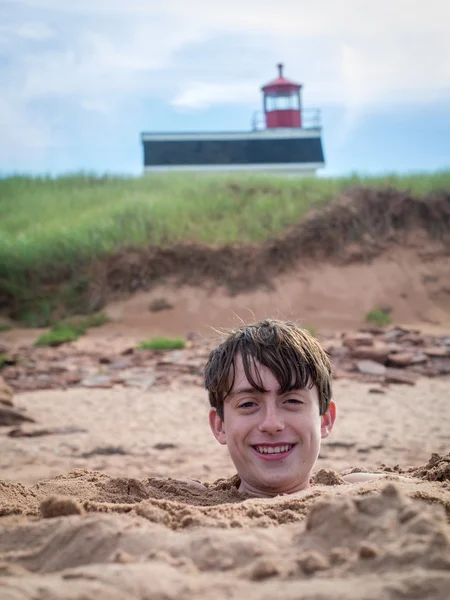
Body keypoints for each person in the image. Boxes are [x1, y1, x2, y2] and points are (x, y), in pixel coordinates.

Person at [204, 318, 388, 497]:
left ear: (325, 419)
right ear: (220, 425)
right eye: (248, 404)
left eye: (292, 401)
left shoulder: (370, 492)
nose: (271, 424)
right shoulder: (187, 499)